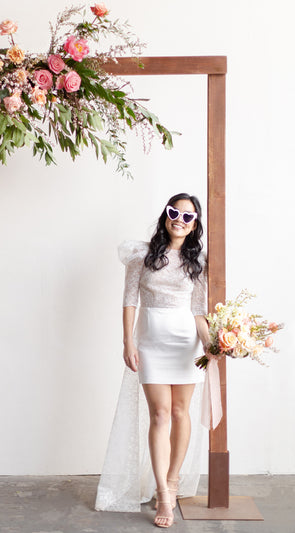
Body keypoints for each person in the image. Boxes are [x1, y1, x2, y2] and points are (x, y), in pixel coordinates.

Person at [95, 193, 209, 528]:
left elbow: (199, 310)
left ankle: (173, 481)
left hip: (186, 344)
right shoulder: (142, 255)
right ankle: (161, 491)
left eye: (188, 216)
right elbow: (130, 300)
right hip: (151, 343)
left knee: (179, 411)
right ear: (165, 215)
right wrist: (128, 341)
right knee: (159, 414)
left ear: (195, 224)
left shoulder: (198, 260)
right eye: (175, 212)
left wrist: (211, 345)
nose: (180, 220)